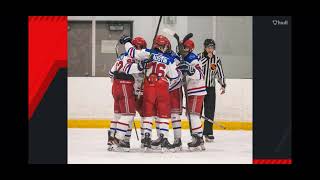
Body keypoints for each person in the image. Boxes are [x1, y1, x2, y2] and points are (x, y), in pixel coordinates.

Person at [119, 34, 179, 152]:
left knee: (148, 112)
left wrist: (126, 42)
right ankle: (164, 139)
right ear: (164, 46)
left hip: (149, 85)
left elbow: (132, 53)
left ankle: (146, 137)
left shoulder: (147, 52)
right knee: (163, 114)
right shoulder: (169, 59)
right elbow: (174, 76)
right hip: (163, 84)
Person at [107, 36, 147, 151]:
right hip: (126, 86)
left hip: (116, 86)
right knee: (129, 115)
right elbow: (135, 72)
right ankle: (118, 140)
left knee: (118, 115)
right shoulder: (134, 58)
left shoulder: (121, 57)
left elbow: (111, 73)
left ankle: (113, 140)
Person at [177, 39, 206, 150]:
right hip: (192, 90)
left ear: (190, 49)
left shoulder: (192, 58)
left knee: (193, 115)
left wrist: (190, 70)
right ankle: (199, 139)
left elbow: (199, 74)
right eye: (182, 48)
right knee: (191, 115)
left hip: (196, 89)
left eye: (185, 48)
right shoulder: (184, 57)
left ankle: (198, 138)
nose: (183, 50)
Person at [198, 39, 226, 142]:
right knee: (198, 111)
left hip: (210, 88)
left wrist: (222, 84)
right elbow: (198, 67)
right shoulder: (199, 56)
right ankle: (197, 133)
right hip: (199, 87)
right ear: (204, 47)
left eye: (212, 47)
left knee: (209, 110)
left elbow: (220, 73)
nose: (210, 49)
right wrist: (206, 58)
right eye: (208, 47)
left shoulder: (216, 59)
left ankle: (208, 132)